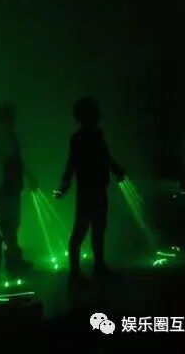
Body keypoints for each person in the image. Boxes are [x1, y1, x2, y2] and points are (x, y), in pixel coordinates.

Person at [55, 97, 125, 283]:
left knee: (93, 228)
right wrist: (116, 170)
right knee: (86, 229)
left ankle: (87, 269)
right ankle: (82, 271)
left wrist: (64, 185)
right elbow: (84, 160)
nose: (98, 113)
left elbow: (76, 162)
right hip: (91, 188)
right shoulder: (88, 136)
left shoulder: (83, 136)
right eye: (94, 110)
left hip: (91, 188)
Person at [0, 103, 36, 278]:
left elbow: (15, 160)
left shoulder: (8, 137)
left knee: (8, 225)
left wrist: (27, 177)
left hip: (9, 187)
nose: (12, 122)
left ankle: (6, 262)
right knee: (3, 225)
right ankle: (2, 262)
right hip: (3, 188)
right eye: (9, 118)